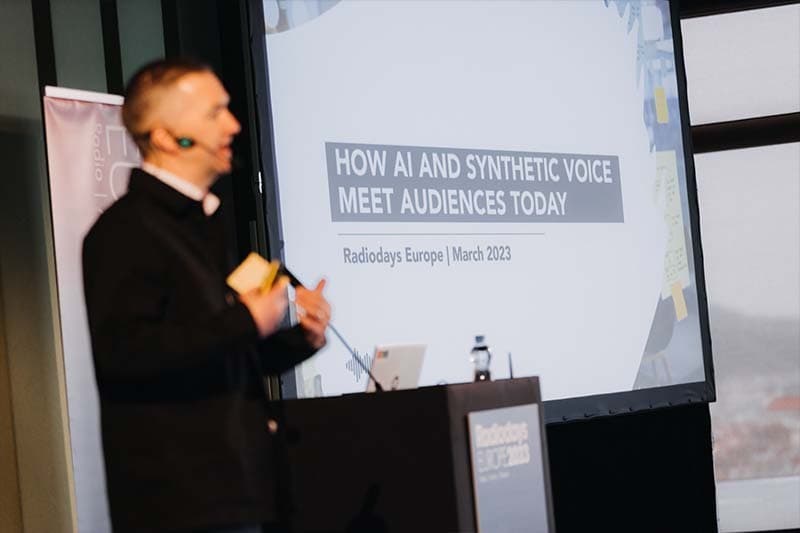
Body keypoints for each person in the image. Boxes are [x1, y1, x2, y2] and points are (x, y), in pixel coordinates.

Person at [82, 58, 330, 533]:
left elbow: (220, 358)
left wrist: (303, 340)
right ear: (164, 137)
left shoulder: (202, 230)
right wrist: (245, 321)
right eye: (215, 113)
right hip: (182, 506)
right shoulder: (126, 233)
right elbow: (125, 356)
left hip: (238, 494)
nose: (233, 125)